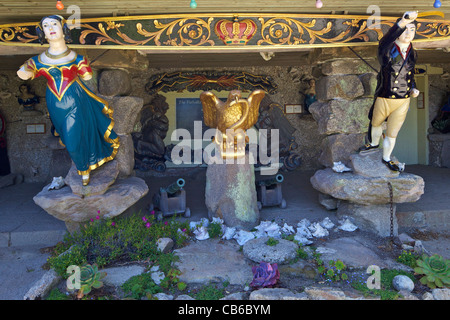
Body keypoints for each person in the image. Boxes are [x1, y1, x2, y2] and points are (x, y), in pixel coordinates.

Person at [17, 15, 120, 185]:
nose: (50, 28)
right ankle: (84, 164)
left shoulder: (75, 58)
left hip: (74, 102)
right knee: (66, 135)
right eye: (46, 25)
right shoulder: (39, 60)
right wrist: (26, 69)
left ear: (63, 29)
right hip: (54, 104)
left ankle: (83, 168)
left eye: (54, 24)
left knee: (73, 139)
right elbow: (23, 72)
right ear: (42, 32)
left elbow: (87, 75)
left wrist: (84, 65)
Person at [359, 11, 420, 172]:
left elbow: (410, 73)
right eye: (405, 29)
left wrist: (413, 87)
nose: (408, 33)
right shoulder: (387, 51)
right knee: (376, 123)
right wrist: (402, 22)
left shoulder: (413, 52)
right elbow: (385, 41)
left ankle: (386, 158)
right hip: (385, 96)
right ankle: (373, 144)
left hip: (403, 100)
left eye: (411, 30)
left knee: (393, 133)